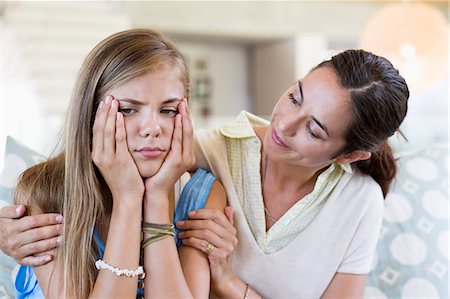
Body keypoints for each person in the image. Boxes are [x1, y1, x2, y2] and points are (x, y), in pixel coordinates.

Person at [1, 49, 409, 298]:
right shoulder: (200, 151)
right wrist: (10, 227)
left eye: (315, 129)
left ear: (350, 154)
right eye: (293, 97)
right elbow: (92, 160)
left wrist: (230, 285)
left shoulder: (360, 200)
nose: (283, 125)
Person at [3, 28, 226, 299]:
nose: (152, 128)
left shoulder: (201, 196)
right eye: (128, 109)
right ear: (91, 114)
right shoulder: (46, 191)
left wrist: (155, 198)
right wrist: (128, 198)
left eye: (167, 110)